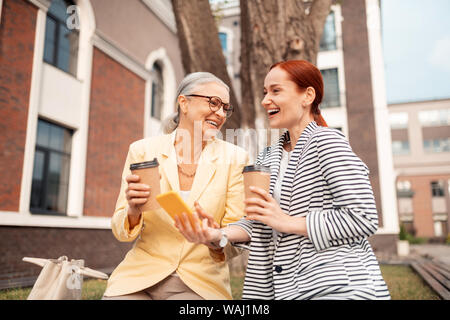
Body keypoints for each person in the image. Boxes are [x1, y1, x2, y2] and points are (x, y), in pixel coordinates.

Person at [175, 60, 391, 300]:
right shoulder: (268, 156)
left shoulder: (329, 142)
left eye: (276, 91)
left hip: (338, 286)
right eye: (265, 92)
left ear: (307, 96)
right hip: (282, 291)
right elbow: (258, 222)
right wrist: (217, 235)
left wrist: (287, 222)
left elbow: (363, 217)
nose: (265, 100)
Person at [102, 72, 249, 300]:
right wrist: (132, 211)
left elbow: (237, 238)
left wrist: (215, 238)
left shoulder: (236, 158)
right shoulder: (142, 151)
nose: (220, 113)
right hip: (141, 276)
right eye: (214, 103)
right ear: (184, 102)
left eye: (225, 108)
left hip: (200, 282)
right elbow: (121, 232)